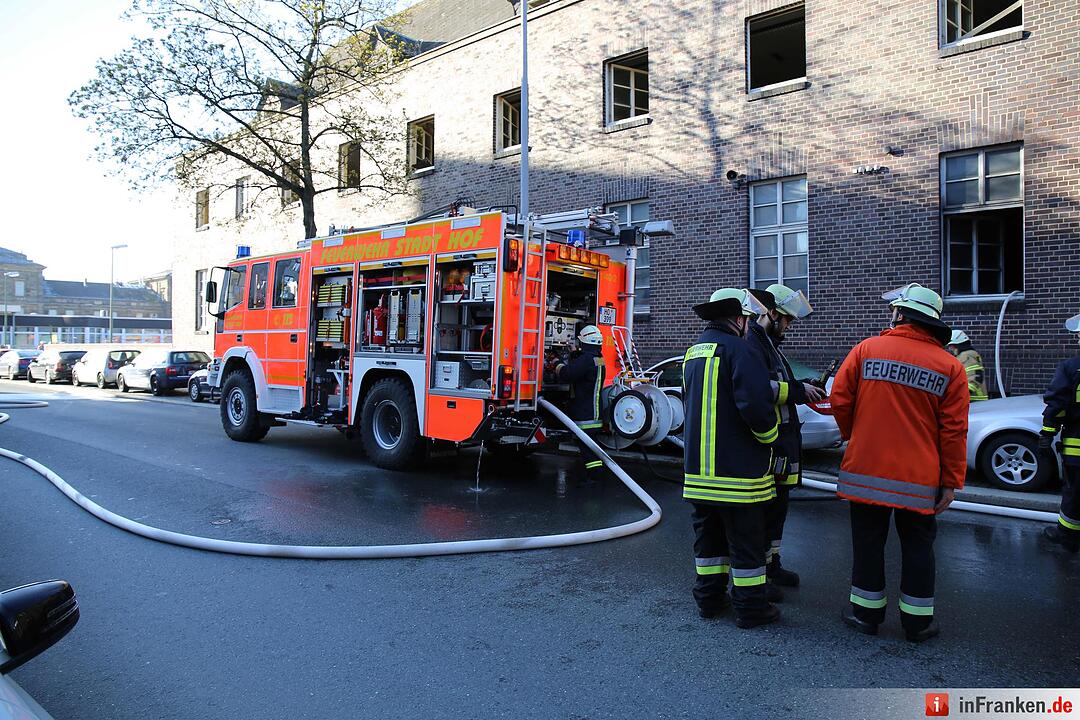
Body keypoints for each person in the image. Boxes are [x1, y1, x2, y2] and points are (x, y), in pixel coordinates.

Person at [831, 283, 969, 643]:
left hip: (866, 471)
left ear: (901, 315)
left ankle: (865, 615)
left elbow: (840, 400)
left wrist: (854, 435)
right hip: (920, 479)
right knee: (919, 548)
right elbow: (954, 431)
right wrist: (951, 482)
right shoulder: (951, 367)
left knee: (867, 545)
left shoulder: (867, 350)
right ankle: (918, 624)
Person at [682, 288, 784, 628]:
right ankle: (751, 608)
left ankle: (709, 601)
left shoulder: (693, 352)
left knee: (708, 542)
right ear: (739, 319)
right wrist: (771, 440)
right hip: (739, 475)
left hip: (698, 474)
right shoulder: (741, 350)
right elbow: (756, 407)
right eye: (748, 318)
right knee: (746, 546)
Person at [746, 285, 827, 594]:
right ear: (773, 313)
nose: (789, 326)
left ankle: (772, 564)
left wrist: (801, 386)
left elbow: (778, 382)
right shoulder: (753, 342)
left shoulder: (768, 342)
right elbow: (757, 388)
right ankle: (760, 573)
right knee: (764, 511)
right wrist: (797, 391)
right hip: (769, 445)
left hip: (782, 443)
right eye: (788, 320)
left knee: (778, 509)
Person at [1039, 312, 1080, 554]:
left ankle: (1067, 536)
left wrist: (1047, 434)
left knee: (1074, 493)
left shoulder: (1072, 368)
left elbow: (1058, 406)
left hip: (1077, 449)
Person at [554, 324, 606, 481]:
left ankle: (594, 476)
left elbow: (567, 374)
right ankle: (594, 474)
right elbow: (582, 369)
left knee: (587, 448)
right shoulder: (598, 359)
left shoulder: (586, 360)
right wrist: (574, 354)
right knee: (590, 446)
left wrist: (556, 363)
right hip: (593, 410)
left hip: (585, 413)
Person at [947, 330, 989, 401]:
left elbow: (975, 377)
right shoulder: (968, 355)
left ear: (958, 345)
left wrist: (961, 394)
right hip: (974, 398)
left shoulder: (966, 356)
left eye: (951, 346)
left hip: (973, 399)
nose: (950, 349)